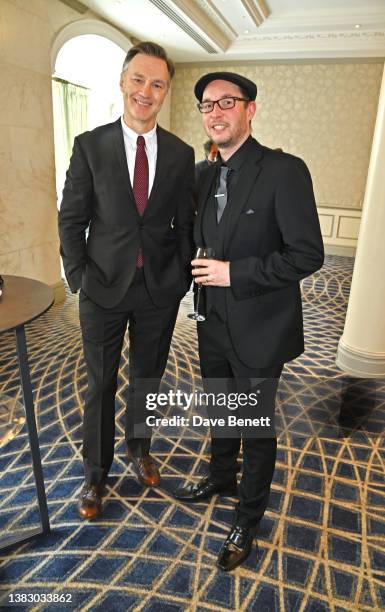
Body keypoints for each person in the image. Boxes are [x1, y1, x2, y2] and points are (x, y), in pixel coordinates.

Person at [174, 71, 324, 571]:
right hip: (210, 321)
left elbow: (307, 255)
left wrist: (233, 272)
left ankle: (248, 517)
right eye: (207, 105)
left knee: (255, 427)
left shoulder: (284, 170)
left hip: (260, 329)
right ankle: (221, 473)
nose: (215, 112)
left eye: (227, 102)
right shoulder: (203, 175)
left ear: (250, 109)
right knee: (221, 408)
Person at [59, 42, 195, 520]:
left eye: (157, 84)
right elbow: (71, 220)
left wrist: (180, 278)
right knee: (100, 383)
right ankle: (95, 475)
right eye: (138, 80)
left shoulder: (181, 154)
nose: (146, 91)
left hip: (158, 289)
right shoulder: (90, 146)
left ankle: (140, 448)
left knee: (147, 380)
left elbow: (186, 225)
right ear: (122, 82)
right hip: (102, 287)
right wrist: (77, 276)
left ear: (165, 92)